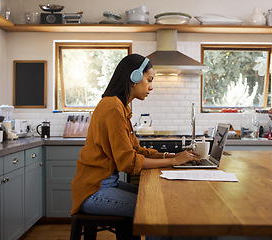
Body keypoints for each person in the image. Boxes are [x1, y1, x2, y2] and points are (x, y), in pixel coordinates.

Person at [71, 53, 199, 238]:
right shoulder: (113, 107)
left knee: (155, 198)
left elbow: (136, 150)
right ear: (134, 77)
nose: (151, 86)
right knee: (156, 210)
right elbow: (128, 162)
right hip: (93, 190)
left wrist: (171, 157)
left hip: (106, 184)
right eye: (149, 80)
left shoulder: (121, 106)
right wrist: (174, 160)